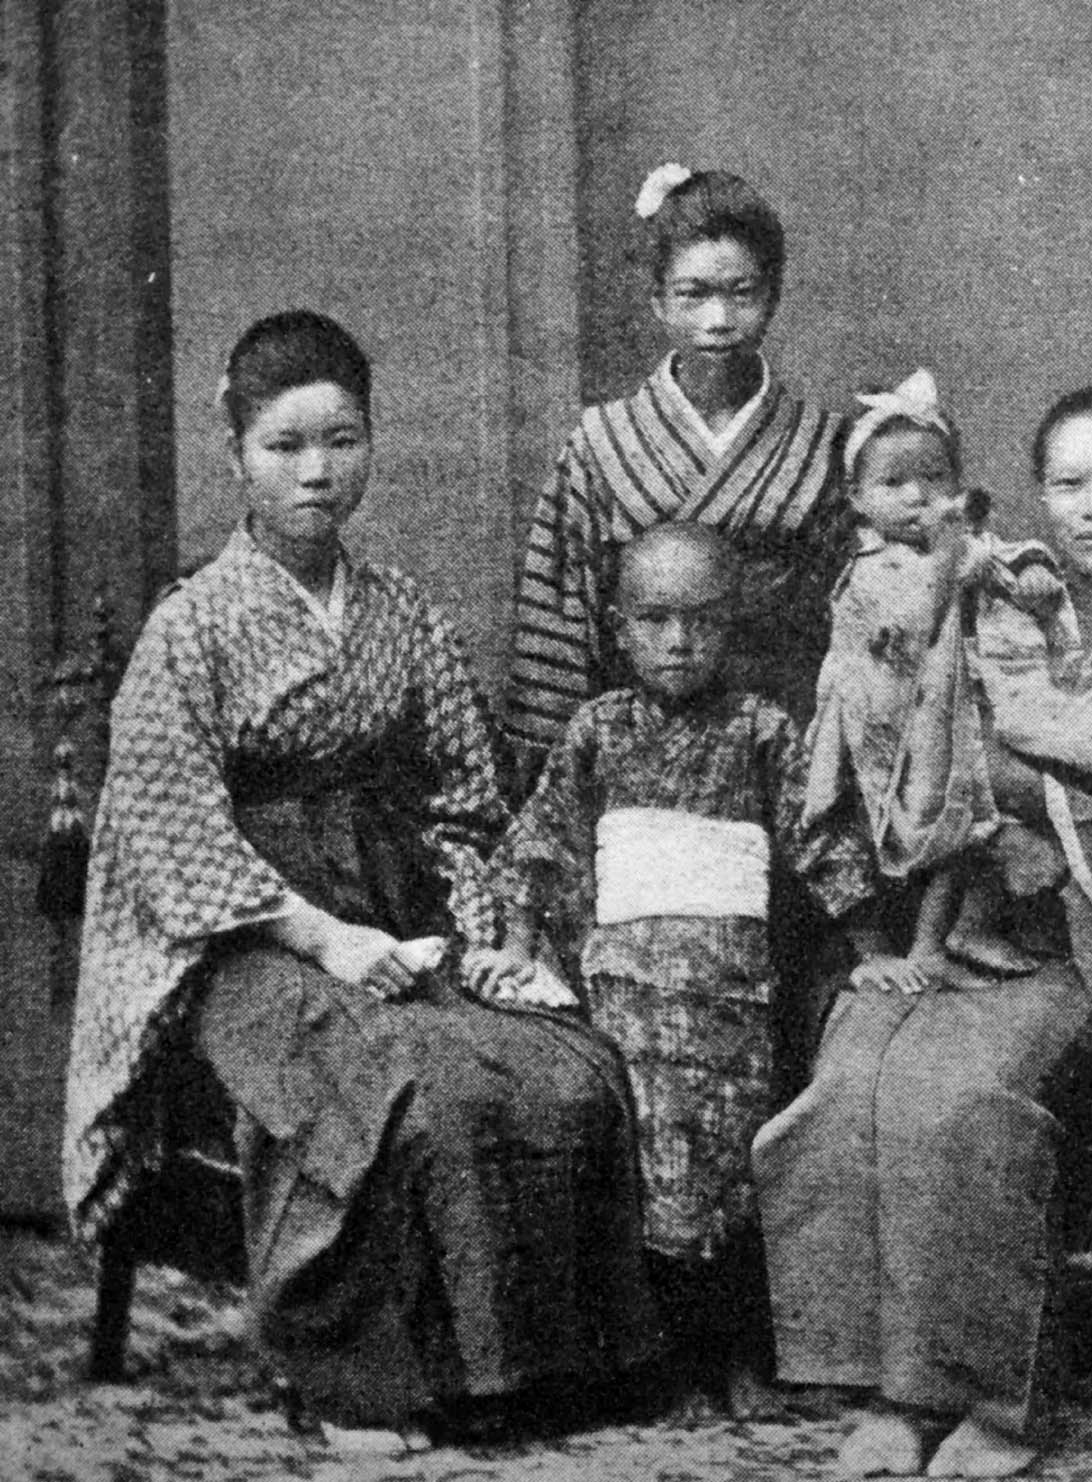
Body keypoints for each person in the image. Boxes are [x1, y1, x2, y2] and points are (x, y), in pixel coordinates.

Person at [62, 311, 658, 1448]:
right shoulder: (190, 630)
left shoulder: (402, 614)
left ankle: (527, 1371)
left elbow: (464, 802)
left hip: (399, 908)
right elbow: (167, 826)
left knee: (561, 1068)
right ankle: (354, 1380)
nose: (318, 472)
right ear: (235, 449)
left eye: (342, 440)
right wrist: (319, 936)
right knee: (394, 1087)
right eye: (286, 446)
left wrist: (488, 936)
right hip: (242, 941)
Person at [755, 387, 1092, 1478]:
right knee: (844, 1086)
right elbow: (895, 759)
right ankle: (884, 1386)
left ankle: (986, 1401)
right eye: (1068, 484)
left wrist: (1013, 801)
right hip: (952, 927)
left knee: (962, 1104)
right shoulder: (989, 607)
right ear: (1032, 496)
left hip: (1091, 951)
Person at [470, 523, 875, 1421]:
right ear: (618, 628)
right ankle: (657, 1366)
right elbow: (541, 846)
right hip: (625, 1002)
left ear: (735, 625)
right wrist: (521, 940)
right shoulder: (599, 730)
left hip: (734, 997)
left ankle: (741, 1359)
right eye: (654, 620)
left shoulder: (762, 729)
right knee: (639, 1173)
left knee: (740, 1172)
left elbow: (819, 843)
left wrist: (875, 949)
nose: (679, 641)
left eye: (701, 621)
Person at [506, 164, 847, 780]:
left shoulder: (821, 443)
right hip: (633, 748)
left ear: (772, 297)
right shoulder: (601, 442)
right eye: (693, 295)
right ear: (658, 301)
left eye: (741, 293)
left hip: (783, 744)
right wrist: (556, 768)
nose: (718, 319)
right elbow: (556, 620)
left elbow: (852, 622)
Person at [801, 367, 1092, 988]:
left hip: (954, 715)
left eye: (934, 478)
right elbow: (905, 631)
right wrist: (948, 563)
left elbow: (1003, 563)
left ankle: (955, 933)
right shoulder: (868, 569)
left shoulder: (958, 544)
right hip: (887, 732)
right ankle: (903, 946)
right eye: (894, 482)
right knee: (917, 823)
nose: (918, 496)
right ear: (856, 498)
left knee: (984, 810)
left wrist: (1031, 581)